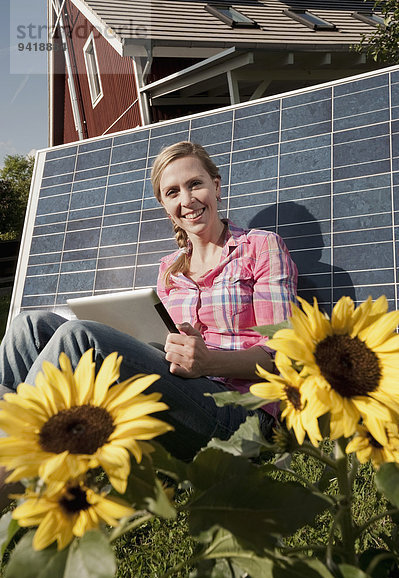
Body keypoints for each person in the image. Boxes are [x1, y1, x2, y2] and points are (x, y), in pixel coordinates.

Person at [0, 141, 297, 467]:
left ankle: (12, 458)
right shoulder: (169, 269)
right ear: (164, 204)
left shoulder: (261, 247)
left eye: (195, 184)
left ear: (216, 185)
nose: (187, 200)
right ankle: (15, 445)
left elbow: (281, 359)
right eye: (173, 192)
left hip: (242, 414)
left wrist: (208, 362)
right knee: (27, 327)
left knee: (79, 336)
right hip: (180, 393)